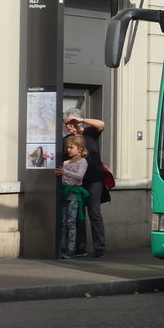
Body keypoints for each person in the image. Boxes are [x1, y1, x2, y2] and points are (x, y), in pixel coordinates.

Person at [64, 109, 108, 258]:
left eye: (71, 123)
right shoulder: (68, 140)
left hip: (94, 180)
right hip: (77, 182)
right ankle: (80, 248)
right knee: (78, 215)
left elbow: (101, 124)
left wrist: (81, 120)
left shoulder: (89, 133)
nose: (68, 126)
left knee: (94, 213)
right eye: (66, 124)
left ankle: (99, 249)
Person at [55, 135, 89, 259]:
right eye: (67, 147)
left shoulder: (83, 161)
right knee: (63, 222)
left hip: (74, 195)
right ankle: (62, 246)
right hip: (65, 193)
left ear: (79, 149)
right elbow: (64, 178)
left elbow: (79, 176)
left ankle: (71, 248)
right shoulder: (65, 162)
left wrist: (65, 172)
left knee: (72, 222)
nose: (68, 150)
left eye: (71, 147)